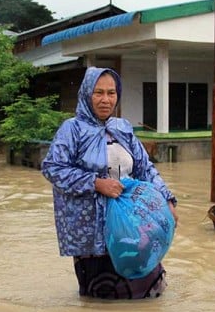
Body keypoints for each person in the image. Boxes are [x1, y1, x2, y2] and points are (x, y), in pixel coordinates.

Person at [41, 67, 178, 299]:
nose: (106, 100)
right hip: (94, 231)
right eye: (99, 93)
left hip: (131, 225)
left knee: (149, 290)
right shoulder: (71, 130)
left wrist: (167, 200)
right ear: (86, 94)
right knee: (103, 298)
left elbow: (145, 168)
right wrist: (95, 183)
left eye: (111, 93)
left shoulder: (122, 128)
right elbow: (53, 168)